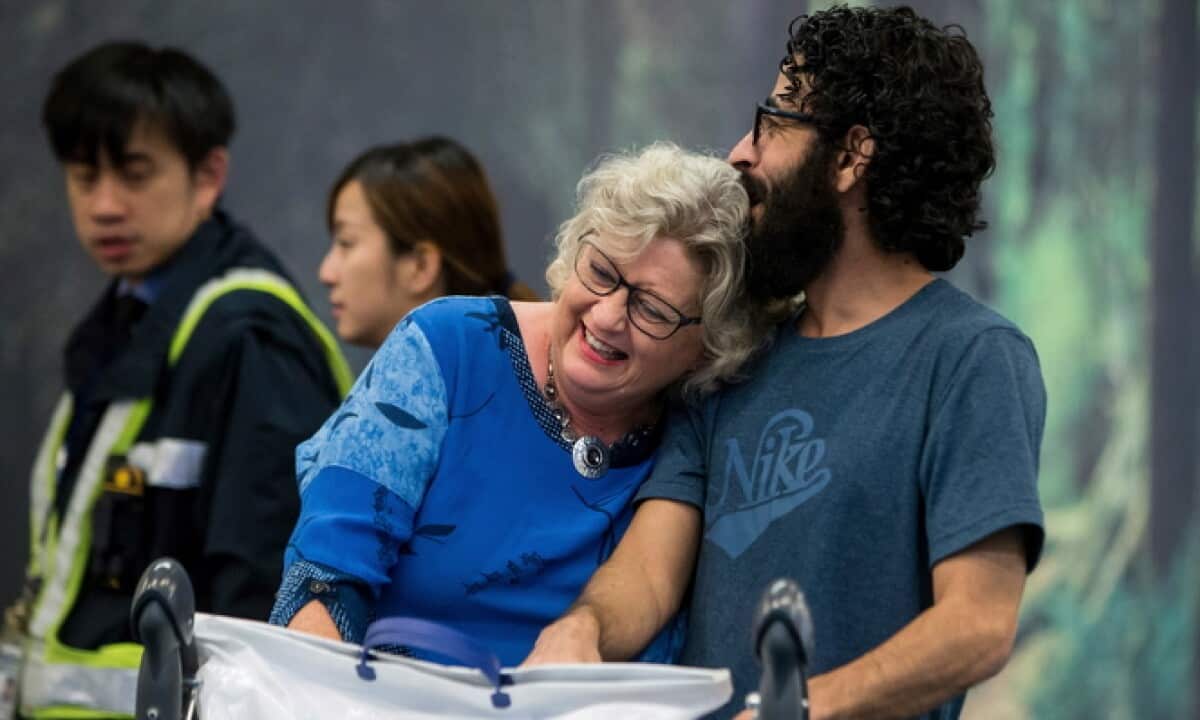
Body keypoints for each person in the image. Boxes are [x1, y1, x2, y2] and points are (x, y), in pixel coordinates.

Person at [526, 6, 1047, 720]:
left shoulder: (970, 358)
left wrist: (801, 707)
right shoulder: (737, 354)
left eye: (773, 123)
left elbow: (979, 626)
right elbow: (650, 573)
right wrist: (580, 630)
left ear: (849, 156)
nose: (741, 153)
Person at [269, 142, 771, 667]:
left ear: (707, 347)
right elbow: (324, 577)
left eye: (651, 309)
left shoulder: (696, 427)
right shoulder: (447, 348)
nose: (606, 318)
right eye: (601, 272)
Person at [13, 42, 351, 718]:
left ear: (208, 176)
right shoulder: (121, 324)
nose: (105, 205)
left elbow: (263, 603)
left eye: (134, 175)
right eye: (85, 176)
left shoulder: (249, 337)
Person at [320, 136, 539, 348]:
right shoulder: (501, 367)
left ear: (420, 265)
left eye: (346, 242)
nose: (325, 274)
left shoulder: (470, 381)